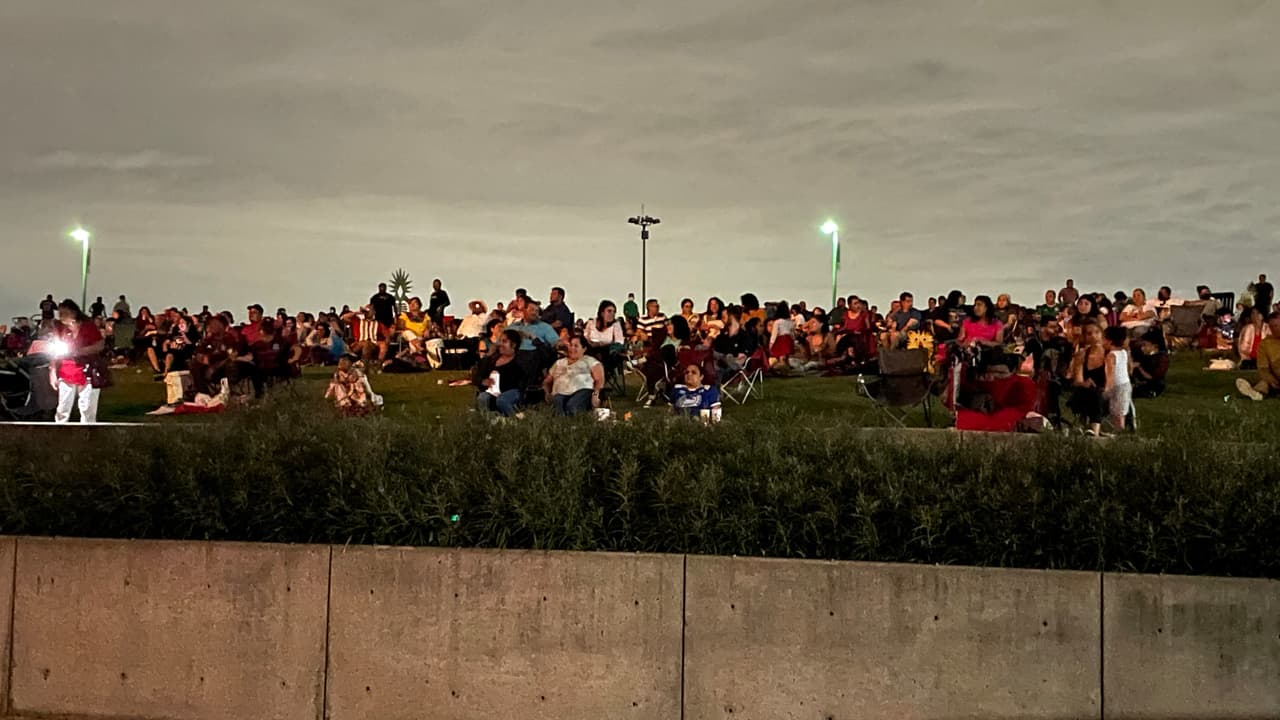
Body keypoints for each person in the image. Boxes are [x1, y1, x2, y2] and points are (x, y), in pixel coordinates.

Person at [50, 299, 105, 423]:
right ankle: (59, 434)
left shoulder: (87, 326)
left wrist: (80, 351)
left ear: (73, 312)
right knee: (63, 407)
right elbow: (54, 352)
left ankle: (87, 434)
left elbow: (99, 345)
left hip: (87, 370)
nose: (61, 316)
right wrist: (53, 372)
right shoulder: (60, 328)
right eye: (60, 313)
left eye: (64, 313)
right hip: (67, 370)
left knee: (87, 408)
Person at [543, 334, 604, 416]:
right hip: (560, 392)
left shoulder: (590, 361)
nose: (572, 348)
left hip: (582, 390)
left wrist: (596, 395)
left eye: (576, 346)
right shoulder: (559, 362)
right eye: (570, 345)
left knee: (572, 407)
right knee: (558, 406)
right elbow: (547, 381)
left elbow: (599, 380)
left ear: (584, 349)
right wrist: (547, 393)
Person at [473, 329, 525, 417]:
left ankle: (513, 418)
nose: (500, 344)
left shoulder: (519, 361)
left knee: (502, 400)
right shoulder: (493, 360)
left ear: (514, 345)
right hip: (492, 392)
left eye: (504, 341)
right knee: (483, 397)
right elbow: (477, 376)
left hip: (511, 391)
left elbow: (521, 382)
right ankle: (486, 420)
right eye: (500, 341)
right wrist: (483, 381)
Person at [1068, 321, 1107, 436]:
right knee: (1084, 390)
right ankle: (1083, 426)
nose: (1093, 336)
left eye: (1097, 332)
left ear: (1102, 334)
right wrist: (1084, 383)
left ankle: (1094, 428)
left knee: (1096, 394)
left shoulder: (1108, 353)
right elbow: (1077, 380)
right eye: (1089, 334)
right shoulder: (1082, 354)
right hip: (1087, 389)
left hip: (1104, 388)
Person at [188, 315, 235, 398]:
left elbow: (228, 354)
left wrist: (212, 363)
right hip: (206, 366)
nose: (209, 326)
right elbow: (198, 351)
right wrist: (202, 358)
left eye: (212, 324)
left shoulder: (227, 338)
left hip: (220, 367)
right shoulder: (208, 340)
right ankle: (204, 393)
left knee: (229, 365)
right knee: (195, 365)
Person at [1236, 312, 1280, 400]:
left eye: (1277, 325)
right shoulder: (1265, 344)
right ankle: (1256, 393)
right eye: (1272, 327)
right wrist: (1272, 380)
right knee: (1264, 383)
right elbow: (1263, 368)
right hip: (1276, 378)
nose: (1275, 329)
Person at [1102, 326, 1132, 431]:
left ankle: (1119, 431)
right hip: (1125, 384)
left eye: (1103, 339)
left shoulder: (1111, 356)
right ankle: (1120, 429)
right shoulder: (1124, 352)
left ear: (1109, 341)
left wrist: (1107, 389)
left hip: (1117, 386)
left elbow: (1110, 374)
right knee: (1120, 411)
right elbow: (1128, 369)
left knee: (1117, 412)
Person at [1131, 330, 1169, 399]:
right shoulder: (1142, 354)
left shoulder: (1161, 359)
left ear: (1154, 346)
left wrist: (1139, 367)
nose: (1142, 348)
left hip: (1153, 385)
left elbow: (1153, 378)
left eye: (1145, 345)